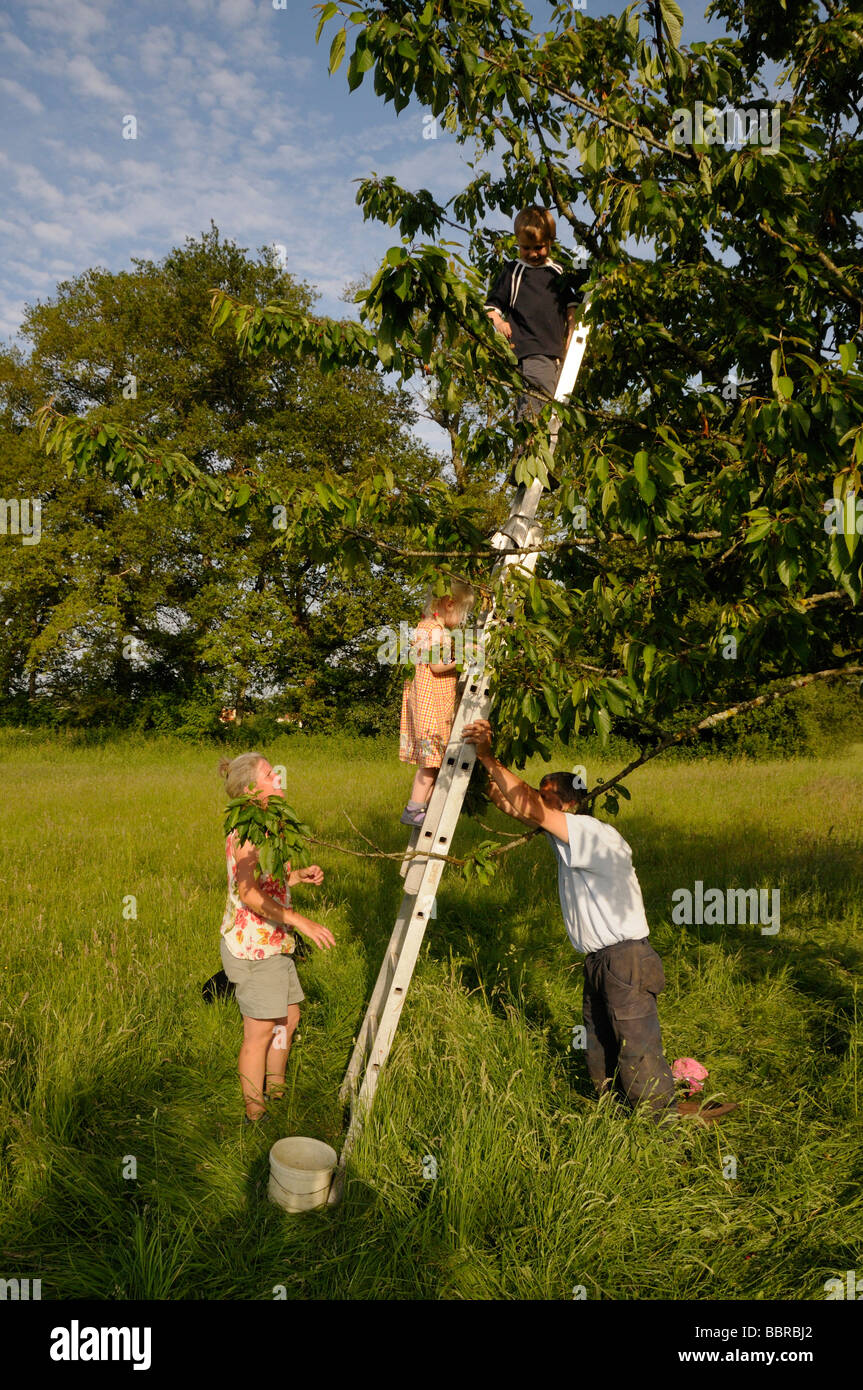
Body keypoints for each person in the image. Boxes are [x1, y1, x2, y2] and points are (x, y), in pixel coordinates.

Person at [462, 720, 738, 1127]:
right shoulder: (568, 835)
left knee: (636, 1044)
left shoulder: (593, 833)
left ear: (568, 802)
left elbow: (529, 806)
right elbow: (514, 806)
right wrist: (476, 769)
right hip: (601, 960)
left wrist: (489, 754)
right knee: (601, 1040)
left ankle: (661, 1125)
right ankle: (615, 1113)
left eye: (545, 793)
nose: (536, 799)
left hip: (625, 959)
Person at [217, 752, 334, 1122]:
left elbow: (269, 881)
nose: (279, 778)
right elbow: (249, 894)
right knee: (260, 1031)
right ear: (252, 790)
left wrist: (298, 876)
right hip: (253, 948)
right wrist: (302, 922)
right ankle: (255, 1109)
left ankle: (277, 1085)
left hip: (274, 942)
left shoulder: (270, 824)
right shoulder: (247, 833)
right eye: (270, 775)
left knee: (288, 1018)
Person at [484, 206, 588, 485]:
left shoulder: (558, 272)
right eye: (526, 248)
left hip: (555, 352)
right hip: (529, 348)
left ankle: (539, 463)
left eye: (539, 247)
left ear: (550, 242)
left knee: (552, 410)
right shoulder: (513, 271)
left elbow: (571, 307)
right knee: (534, 405)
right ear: (518, 243)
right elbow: (492, 306)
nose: (533, 254)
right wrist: (500, 323)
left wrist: (570, 332)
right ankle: (527, 464)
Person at [399, 581, 475, 826]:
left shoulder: (426, 626)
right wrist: (465, 656)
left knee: (435, 763)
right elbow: (436, 665)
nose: (462, 620)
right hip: (432, 703)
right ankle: (413, 809)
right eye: (462, 613)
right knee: (431, 762)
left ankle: (424, 809)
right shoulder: (436, 630)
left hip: (430, 701)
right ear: (450, 604)